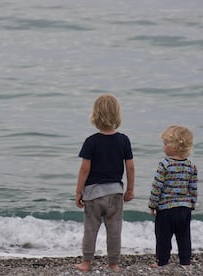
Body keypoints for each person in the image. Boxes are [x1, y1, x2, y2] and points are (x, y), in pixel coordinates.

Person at [74, 94, 135, 272]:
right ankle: (114, 264)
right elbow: (130, 167)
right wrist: (130, 189)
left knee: (90, 229)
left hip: (93, 194)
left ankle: (86, 263)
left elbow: (84, 170)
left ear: (95, 116)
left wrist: (79, 192)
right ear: (117, 115)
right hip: (115, 192)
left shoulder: (91, 142)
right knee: (115, 229)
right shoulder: (123, 140)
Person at [148, 125, 198, 267]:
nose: (163, 146)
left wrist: (152, 204)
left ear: (174, 146)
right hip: (184, 208)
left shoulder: (165, 164)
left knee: (163, 236)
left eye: (165, 143)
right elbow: (193, 188)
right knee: (184, 236)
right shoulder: (191, 166)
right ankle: (185, 261)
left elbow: (157, 186)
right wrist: (192, 204)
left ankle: (162, 261)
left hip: (166, 209)